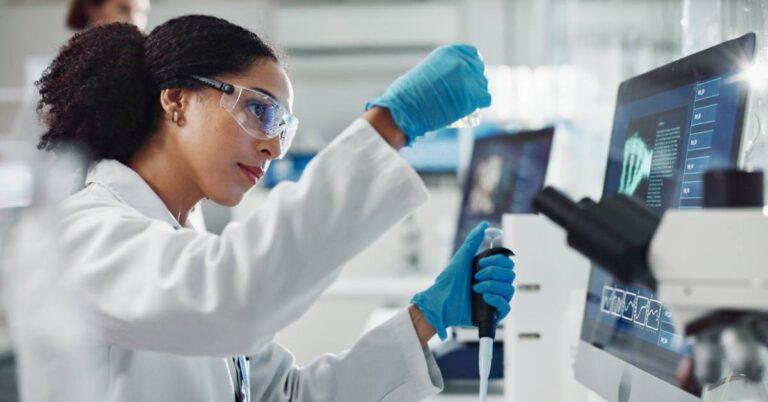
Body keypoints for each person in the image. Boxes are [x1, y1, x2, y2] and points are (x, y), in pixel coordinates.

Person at [34, 15, 516, 401]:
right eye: (261, 111)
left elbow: (289, 396)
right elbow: (229, 299)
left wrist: (428, 316)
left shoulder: (183, 242)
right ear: (177, 101)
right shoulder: (85, 234)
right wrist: (390, 124)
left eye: (283, 128)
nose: (274, 148)